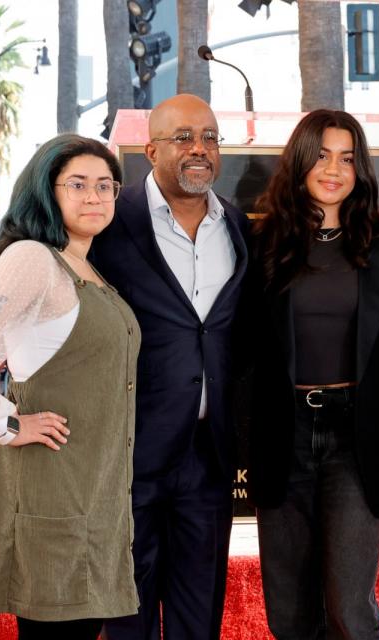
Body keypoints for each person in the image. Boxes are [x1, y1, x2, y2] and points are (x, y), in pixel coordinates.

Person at [0, 133, 140, 639]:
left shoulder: (85, 266)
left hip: (96, 488)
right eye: (78, 184)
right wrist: (3, 423)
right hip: (51, 484)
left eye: (106, 186)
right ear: (47, 191)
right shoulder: (33, 259)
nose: (95, 197)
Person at [239, 109, 379, 639]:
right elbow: (241, 346)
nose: (333, 169)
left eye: (346, 157)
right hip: (282, 432)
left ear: (360, 168)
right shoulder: (261, 243)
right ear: (299, 162)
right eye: (321, 155)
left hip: (357, 437)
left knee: (350, 609)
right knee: (290, 613)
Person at [90, 94, 249, 640]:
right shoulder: (110, 221)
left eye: (209, 137)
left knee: (198, 614)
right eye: (184, 137)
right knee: (127, 615)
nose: (199, 149)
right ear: (151, 149)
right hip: (129, 454)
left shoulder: (239, 226)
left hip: (209, 458)